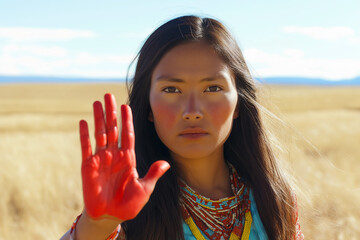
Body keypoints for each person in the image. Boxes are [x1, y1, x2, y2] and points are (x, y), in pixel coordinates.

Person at [60, 15, 303, 240]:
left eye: (213, 88)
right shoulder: (130, 204)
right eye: (171, 90)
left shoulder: (273, 199)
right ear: (148, 108)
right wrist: (99, 223)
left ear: (238, 102)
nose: (193, 112)